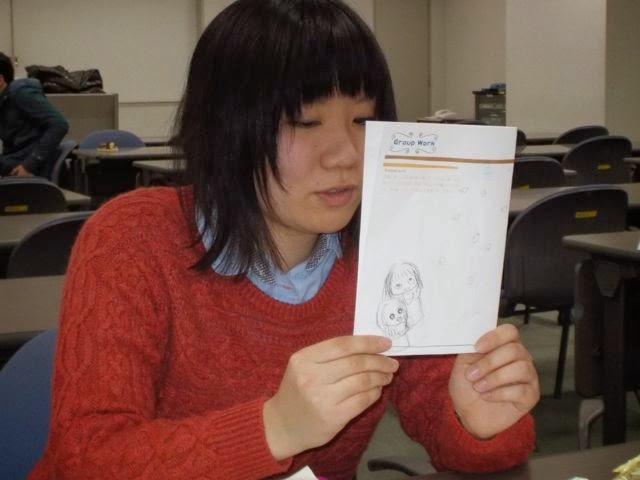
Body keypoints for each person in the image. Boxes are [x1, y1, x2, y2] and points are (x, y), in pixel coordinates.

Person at [31, 1, 539, 479]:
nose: (345, 154)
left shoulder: (389, 246)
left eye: (363, 120)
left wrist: (479, 420)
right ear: (226, 127)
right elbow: (87, 458)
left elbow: (442, 419)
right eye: (305, 121)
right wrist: (275, 427)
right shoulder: (133, 240)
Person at [0, 52, 69, 177]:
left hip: (32, 168)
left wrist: (29, 165)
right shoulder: (4, 100)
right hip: (14, 161)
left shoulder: (20, 92)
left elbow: (59, 124)